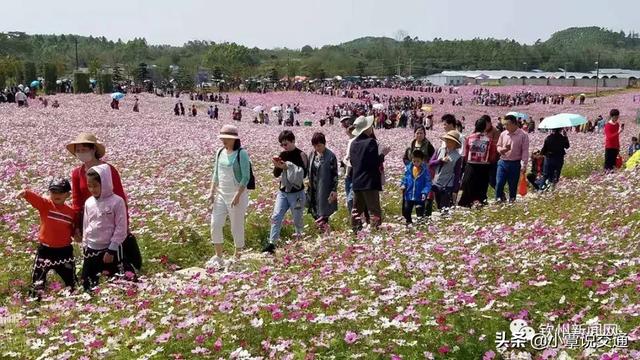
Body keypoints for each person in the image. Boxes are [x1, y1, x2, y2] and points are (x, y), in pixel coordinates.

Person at [16, 179, 77, 298]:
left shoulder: (71, 212)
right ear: (49, 193)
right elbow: (36, 199)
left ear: (68, 194)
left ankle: (74, 299)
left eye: (60, 192)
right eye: (53, 192)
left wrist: (78, 233)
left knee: (70, 279)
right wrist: (25, 193)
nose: (57, 195)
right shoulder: (46, 205)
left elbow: (74, 229)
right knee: (38, 279)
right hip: (45, 250)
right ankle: (35, 303)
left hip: (64, 251)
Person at [206, 125, 252, 268]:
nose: (224, 141)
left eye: (227, 138)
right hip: (221, 193)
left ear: (234, 140)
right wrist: (211, 192)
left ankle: (237, 256)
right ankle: (218, 256)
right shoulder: (220, 152)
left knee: (236, 226)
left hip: (236, 194)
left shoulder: (241, 153)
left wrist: (238, 195)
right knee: (215, 224)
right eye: (223, 138)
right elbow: (216, 173)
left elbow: (246, 177)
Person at [67, 133, 129, 237]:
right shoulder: (77, 173)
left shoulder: (109, 170)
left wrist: (125, 223)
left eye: (84, 150)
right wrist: (76, 225)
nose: (81, 153)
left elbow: (120, 197)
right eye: (78, 151)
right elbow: (77, 202)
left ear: (93, 150)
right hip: (90, 220)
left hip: (110, 217)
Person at [81, 165, 127, 291]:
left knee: (115, 282)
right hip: (91, 248)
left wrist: (112, 249)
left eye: (95, 186)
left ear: (105, 183)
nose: (92, 189)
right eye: (89, 186)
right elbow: (86, 224)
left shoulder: (117, 201)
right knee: (88, 283)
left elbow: (121, 227)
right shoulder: (89, 202)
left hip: (110, 250)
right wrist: (85, 245)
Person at [263, 130, 308, 254]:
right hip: (283, 192)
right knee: (276, 216)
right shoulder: (282, 154)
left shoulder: (301, 155)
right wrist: (278, 166)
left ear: (293, 141)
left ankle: (300, 242)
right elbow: (276, 174)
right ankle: (272, 243)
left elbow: (303, 174)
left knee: (297, 218)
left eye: (286, 144)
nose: (284, 147)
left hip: (297, 193)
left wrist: (288, 167)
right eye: (282, 144)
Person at [349, 115, 390, 232]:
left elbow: (352, 162)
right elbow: (374, 162)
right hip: (369, 182)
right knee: (374, 211)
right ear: (367, 128)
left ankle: (355, 231)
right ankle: (376, 233)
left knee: (356, 209)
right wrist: (382, 155)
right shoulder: (370, 142)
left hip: (357, 181)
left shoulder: (353, 143)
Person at [458, 117, 496, 207]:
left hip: (471, 165)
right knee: (481, 187)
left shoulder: (470, 138)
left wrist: (467, 161)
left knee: (469, 186)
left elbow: (466, 153)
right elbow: (492, 154)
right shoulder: (488, 140)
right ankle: (480, 202)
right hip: (484, 166)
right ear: (484, 127)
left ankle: (467, 203)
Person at [306, 132, 339, 233]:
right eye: (315, 145)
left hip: (325, 187)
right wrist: (308, 180)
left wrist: (334, 190)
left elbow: (335, 174)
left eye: (319, 145)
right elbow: (309, 169)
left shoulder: (331, 156)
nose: (317, 148)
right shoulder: (312, 154)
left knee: (324, 209)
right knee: (314, 208)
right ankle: (320, 229)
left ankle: (324, 230)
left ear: (324, 143)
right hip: (313, 187)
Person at [495, 115, 530, 202]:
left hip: (515, 163)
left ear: (514, 124)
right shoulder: (503, 134)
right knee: (499, 183)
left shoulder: (523, 135)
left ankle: (512, 201)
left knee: (513, 185)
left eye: (507, 124)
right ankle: (498, 200)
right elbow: (498, 145)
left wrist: (524, 164)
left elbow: (525, 151)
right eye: (505, 124)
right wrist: (501, 150)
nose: (505, 126)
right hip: (502, 162)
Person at [403, 125, 435, 215]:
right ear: (414, 134)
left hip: (423, 173)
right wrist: (409, 166)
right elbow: (405, 158)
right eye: (417, 133)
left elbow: (433, 159)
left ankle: (424, 215)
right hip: (412, 173)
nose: (419, 135)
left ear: (425, 134)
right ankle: (408, 217)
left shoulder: (428, 146)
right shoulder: (411, 145)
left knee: (424, 193)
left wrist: (426, 167)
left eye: (421, 133)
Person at [429, 130, 462, 210]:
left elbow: (457, 174)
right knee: (439, 207)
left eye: (450, 140)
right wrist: (440, 161)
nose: (447, 142)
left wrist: (455, 190)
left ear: (455, 143)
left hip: (448, 186)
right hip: (437, 183)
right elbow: (430, 163)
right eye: (447, 140)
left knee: (445, 208)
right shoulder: (439, 150)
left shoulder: (457, 157)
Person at [400, 150, 432, 225]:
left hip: (419, 195)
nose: (416, 163)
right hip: (409, 194)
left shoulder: (425, 170)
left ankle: (420, 226)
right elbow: (405, 178)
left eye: (418, 161)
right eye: (414, 161)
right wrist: (403, 184)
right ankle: (409, 223)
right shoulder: (408, 168)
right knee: (407, 210)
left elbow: (428, 183)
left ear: (422, 161)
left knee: (420, 213)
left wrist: (424, 192)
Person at [484, 115, 501, 190]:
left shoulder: (496, 131)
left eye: (485, 124)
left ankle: (500, 195)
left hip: (493, 160)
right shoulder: (482, 131)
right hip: (483, 160)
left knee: (492, 180)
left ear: (489, 123)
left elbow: (497, 144)